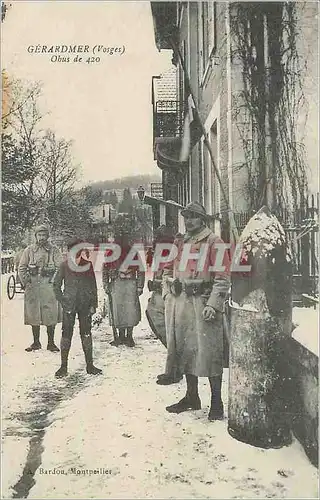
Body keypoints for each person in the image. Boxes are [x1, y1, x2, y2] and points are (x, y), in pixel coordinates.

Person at [162, 202, 230, 420]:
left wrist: (213, 305)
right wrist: (168, 290)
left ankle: (217, 403)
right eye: (186, 217)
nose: (189, 220)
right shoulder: (180, 242)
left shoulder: (214, 241)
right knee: (185, 351)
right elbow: (166, 269)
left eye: (193, 217)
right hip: (181, 303)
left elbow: (223, 278)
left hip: (203, 304)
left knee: (209, 353)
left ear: (203, 219)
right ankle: (192, 397)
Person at [53, 238, 102, 377]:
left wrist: (93, 304)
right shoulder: (64, 266)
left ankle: (90, 365)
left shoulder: (88, 265)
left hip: (85, 305)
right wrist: (63, 300)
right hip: (69, 306)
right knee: (66, 334)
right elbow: (56, 286)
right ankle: (63, 367)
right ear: (69, 252)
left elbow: (93, 286)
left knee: (86, 333)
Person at [145, 225, 183, 385]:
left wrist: (158, 285)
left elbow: (171, 274)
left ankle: (176, 369)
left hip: (171, 295)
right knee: (156, 317)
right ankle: (175, 367)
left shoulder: (171, 251)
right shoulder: (162, 252)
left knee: (171, 331)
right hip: (162, 293)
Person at [102, 215, 145, 347]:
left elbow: (141, 270)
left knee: (130, 311)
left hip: (131, 284)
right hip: (116, 284)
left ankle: (129, 337)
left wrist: (139, 286)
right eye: (119, 236)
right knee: (118, 311)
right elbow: (104, 269)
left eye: (124, 236)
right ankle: (120, 337)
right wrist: (105, 285)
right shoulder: (110, 253)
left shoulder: (133, 252)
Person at [18, 225, 62, 352]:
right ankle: (36, 342)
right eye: (39, 235)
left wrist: (53, 282)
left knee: (50, 313)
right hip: (33, 286)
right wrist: (26, 282)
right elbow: (22, 267)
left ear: (47, 236)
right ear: (35, 236)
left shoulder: (54, 250)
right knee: (33, 313)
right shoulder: (29, 250)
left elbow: (60, 268)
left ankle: (51, 343)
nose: (41, 238)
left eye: (44, 235)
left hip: (48, 286)